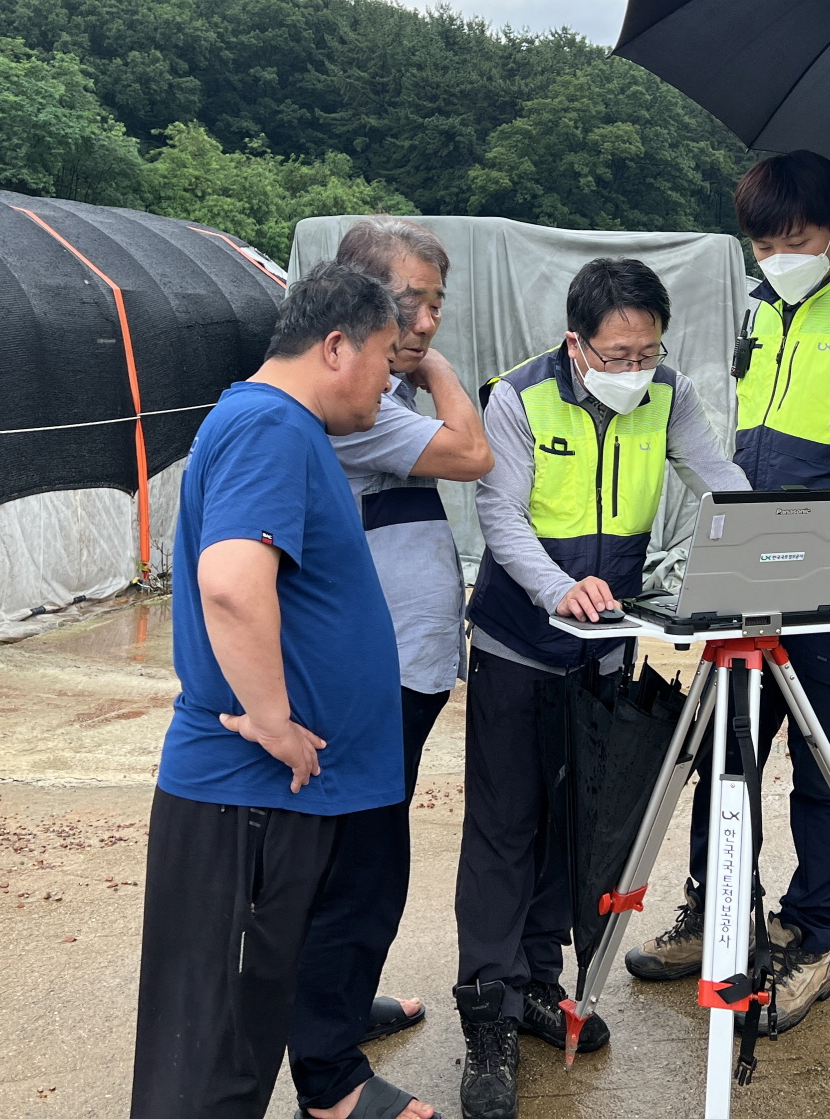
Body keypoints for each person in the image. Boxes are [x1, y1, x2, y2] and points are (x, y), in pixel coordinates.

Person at [625, 150, 830, 1033]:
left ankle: (810, 935)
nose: (776, 256)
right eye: (762, 243)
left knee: (822, 765)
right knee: (723, 750)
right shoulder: (761, 310)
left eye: (793, 240)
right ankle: (714, 910)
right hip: (753, 561)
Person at [130, 262, 435, 1119]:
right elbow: (231, 582)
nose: (389, 379)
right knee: (215, 1049)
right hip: (250, 795)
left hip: (266, 798)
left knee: (237, 1028)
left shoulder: (273, 424)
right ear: (335, 345)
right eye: (385, 357)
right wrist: (273, 721)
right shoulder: (271, 426)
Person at [453, 258, 748, 1119]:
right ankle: (489, 1014)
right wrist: (556, 587)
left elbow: (715, 477)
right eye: (616, 355)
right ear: (575, 343)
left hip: (605, 652)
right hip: (521, 642)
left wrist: (769, 537)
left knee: (574, 824)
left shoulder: (669, 393)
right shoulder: (517, 397)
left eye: (647, 351)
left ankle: (541, 982)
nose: (634, 371)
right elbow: (499, 514)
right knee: (504, 827)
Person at [288, 219, 491, 1117]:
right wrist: (435, 370)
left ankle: (336, 1007)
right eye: (407, 303)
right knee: (361, 865)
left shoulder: (380, 404)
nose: (424, 322)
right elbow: (472, 451)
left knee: (373, 851)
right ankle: (328, 1077)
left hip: (405, 670)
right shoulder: (355, 413)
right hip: (370, 676)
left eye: (437, 304)